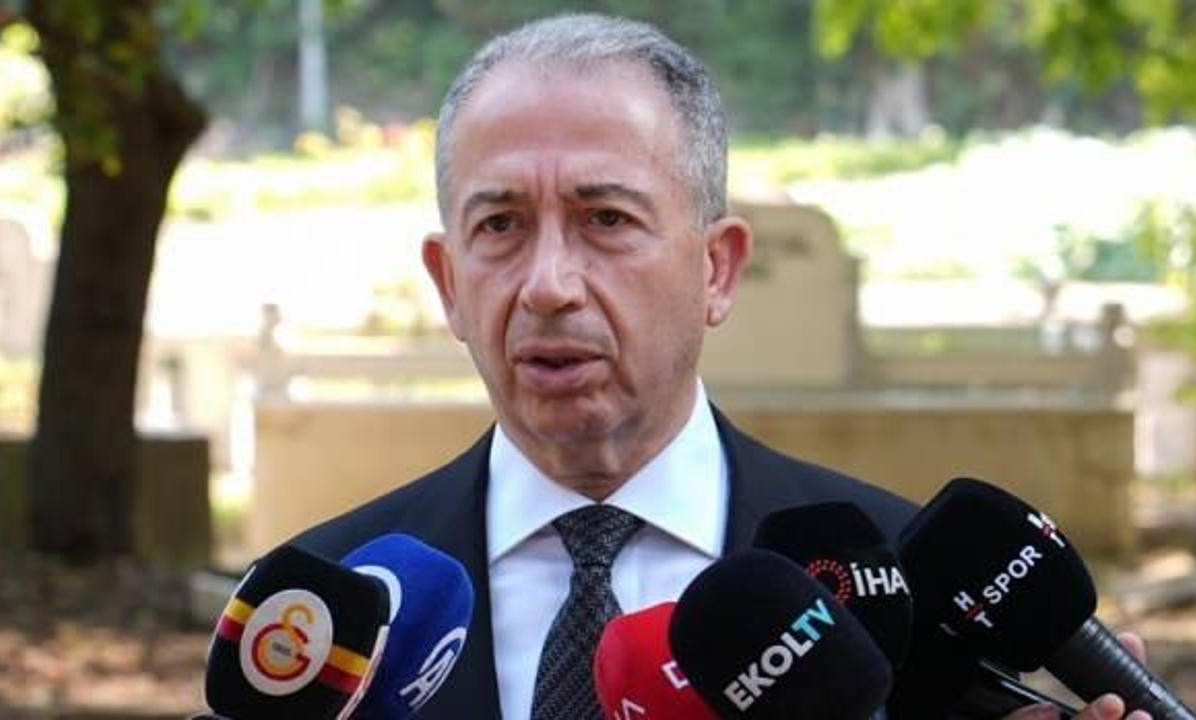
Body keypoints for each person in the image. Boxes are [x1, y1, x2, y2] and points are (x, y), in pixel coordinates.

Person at [291, 13, 1149, 720]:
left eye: (607, 219)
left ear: (717, 269)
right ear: (448, 283)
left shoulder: (909, 599)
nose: (548, 285)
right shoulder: (320, 614)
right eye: (501, 226)